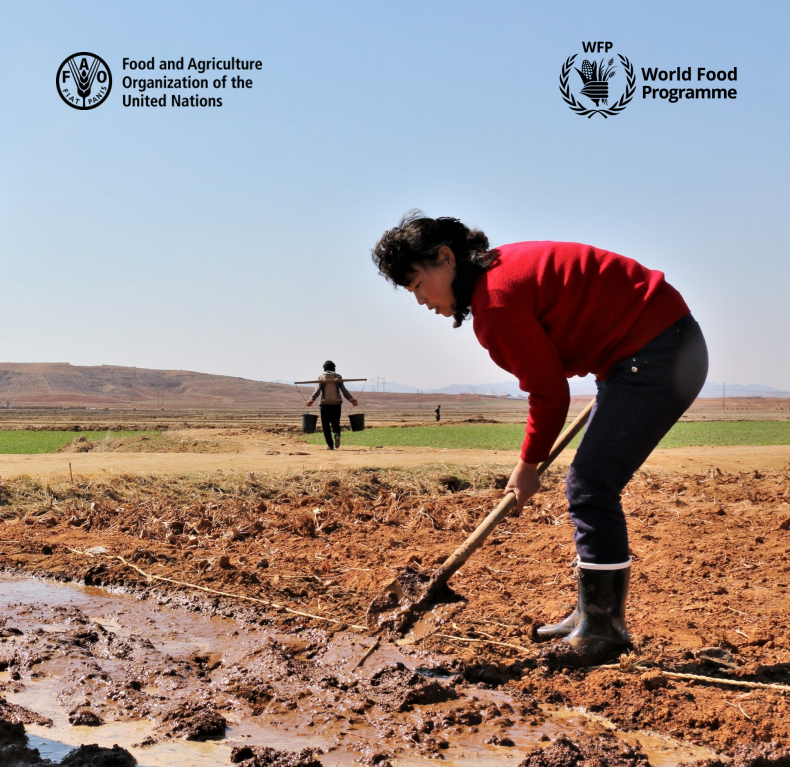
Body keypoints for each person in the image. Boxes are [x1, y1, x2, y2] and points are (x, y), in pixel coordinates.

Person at [371, 211, 708, 667]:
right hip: (650, 346)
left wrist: (527, 465)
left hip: (656, 353)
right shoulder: (499, 272)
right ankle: (591, 614)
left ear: (446, 258)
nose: (420, 301)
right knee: (590, 482)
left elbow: (549, 393)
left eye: (417, 285)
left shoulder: (496, 305)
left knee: (591, 485)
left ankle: (604, 627)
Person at [306, 361, 358, 450]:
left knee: (325, 425)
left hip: (324, 405)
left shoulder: (321, 377)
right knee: (336, 422)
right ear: (334, 368)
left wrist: (311, 400)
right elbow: (343, 390)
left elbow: (317, 390)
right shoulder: (338, 377)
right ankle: (337, 434)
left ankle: (330, 445)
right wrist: (351, 399)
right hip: (336, 404)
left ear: (324, 368)